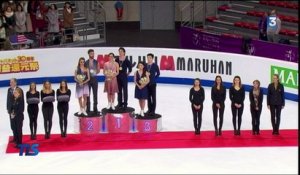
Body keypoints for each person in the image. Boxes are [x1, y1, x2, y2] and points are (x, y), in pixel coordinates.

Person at [7, 78, 24, 143]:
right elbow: (8, 100)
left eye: (12, 82)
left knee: (18, 127)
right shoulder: (9, 90)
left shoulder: (19, 90)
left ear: (15, 83)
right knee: (13, 126)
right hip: (11, 111)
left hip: (17, 112)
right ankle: (15, 138)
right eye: (10, 82)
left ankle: (18, 140)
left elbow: (21, 102)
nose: (10, 83)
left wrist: (18, 112)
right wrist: (8, 109)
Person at [84, 49, 100, 113]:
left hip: (94, 80)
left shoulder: (96, 62)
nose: (92, 54)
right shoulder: (86, 62)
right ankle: (88, 108)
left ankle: (95, 107)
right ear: (88, 54)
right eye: (91, 53)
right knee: (88, 94)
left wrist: (95, 72)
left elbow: (98, 70)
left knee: (95, 94)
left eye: (93, 53)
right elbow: (84, 71)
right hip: (88, 80)